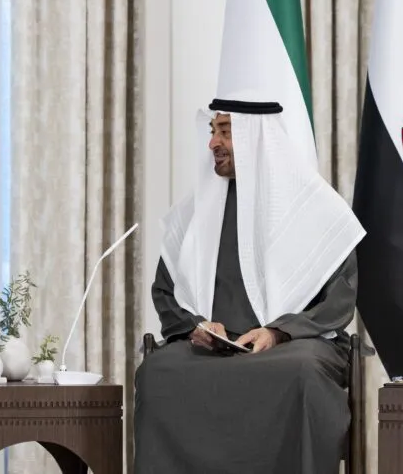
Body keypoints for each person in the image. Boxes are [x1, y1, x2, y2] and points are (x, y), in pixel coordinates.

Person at [134, 97, 366, 474]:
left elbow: (340, 298)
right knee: (158, 372)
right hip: (213, 347)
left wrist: (278, 332)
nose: (213, 143)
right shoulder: (197, 211)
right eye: (213, 131)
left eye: (225, 131)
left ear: (258, 139)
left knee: (303, 373)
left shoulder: (314, 208)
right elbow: (165, 290)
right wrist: (196, 325)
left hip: (295, 344)